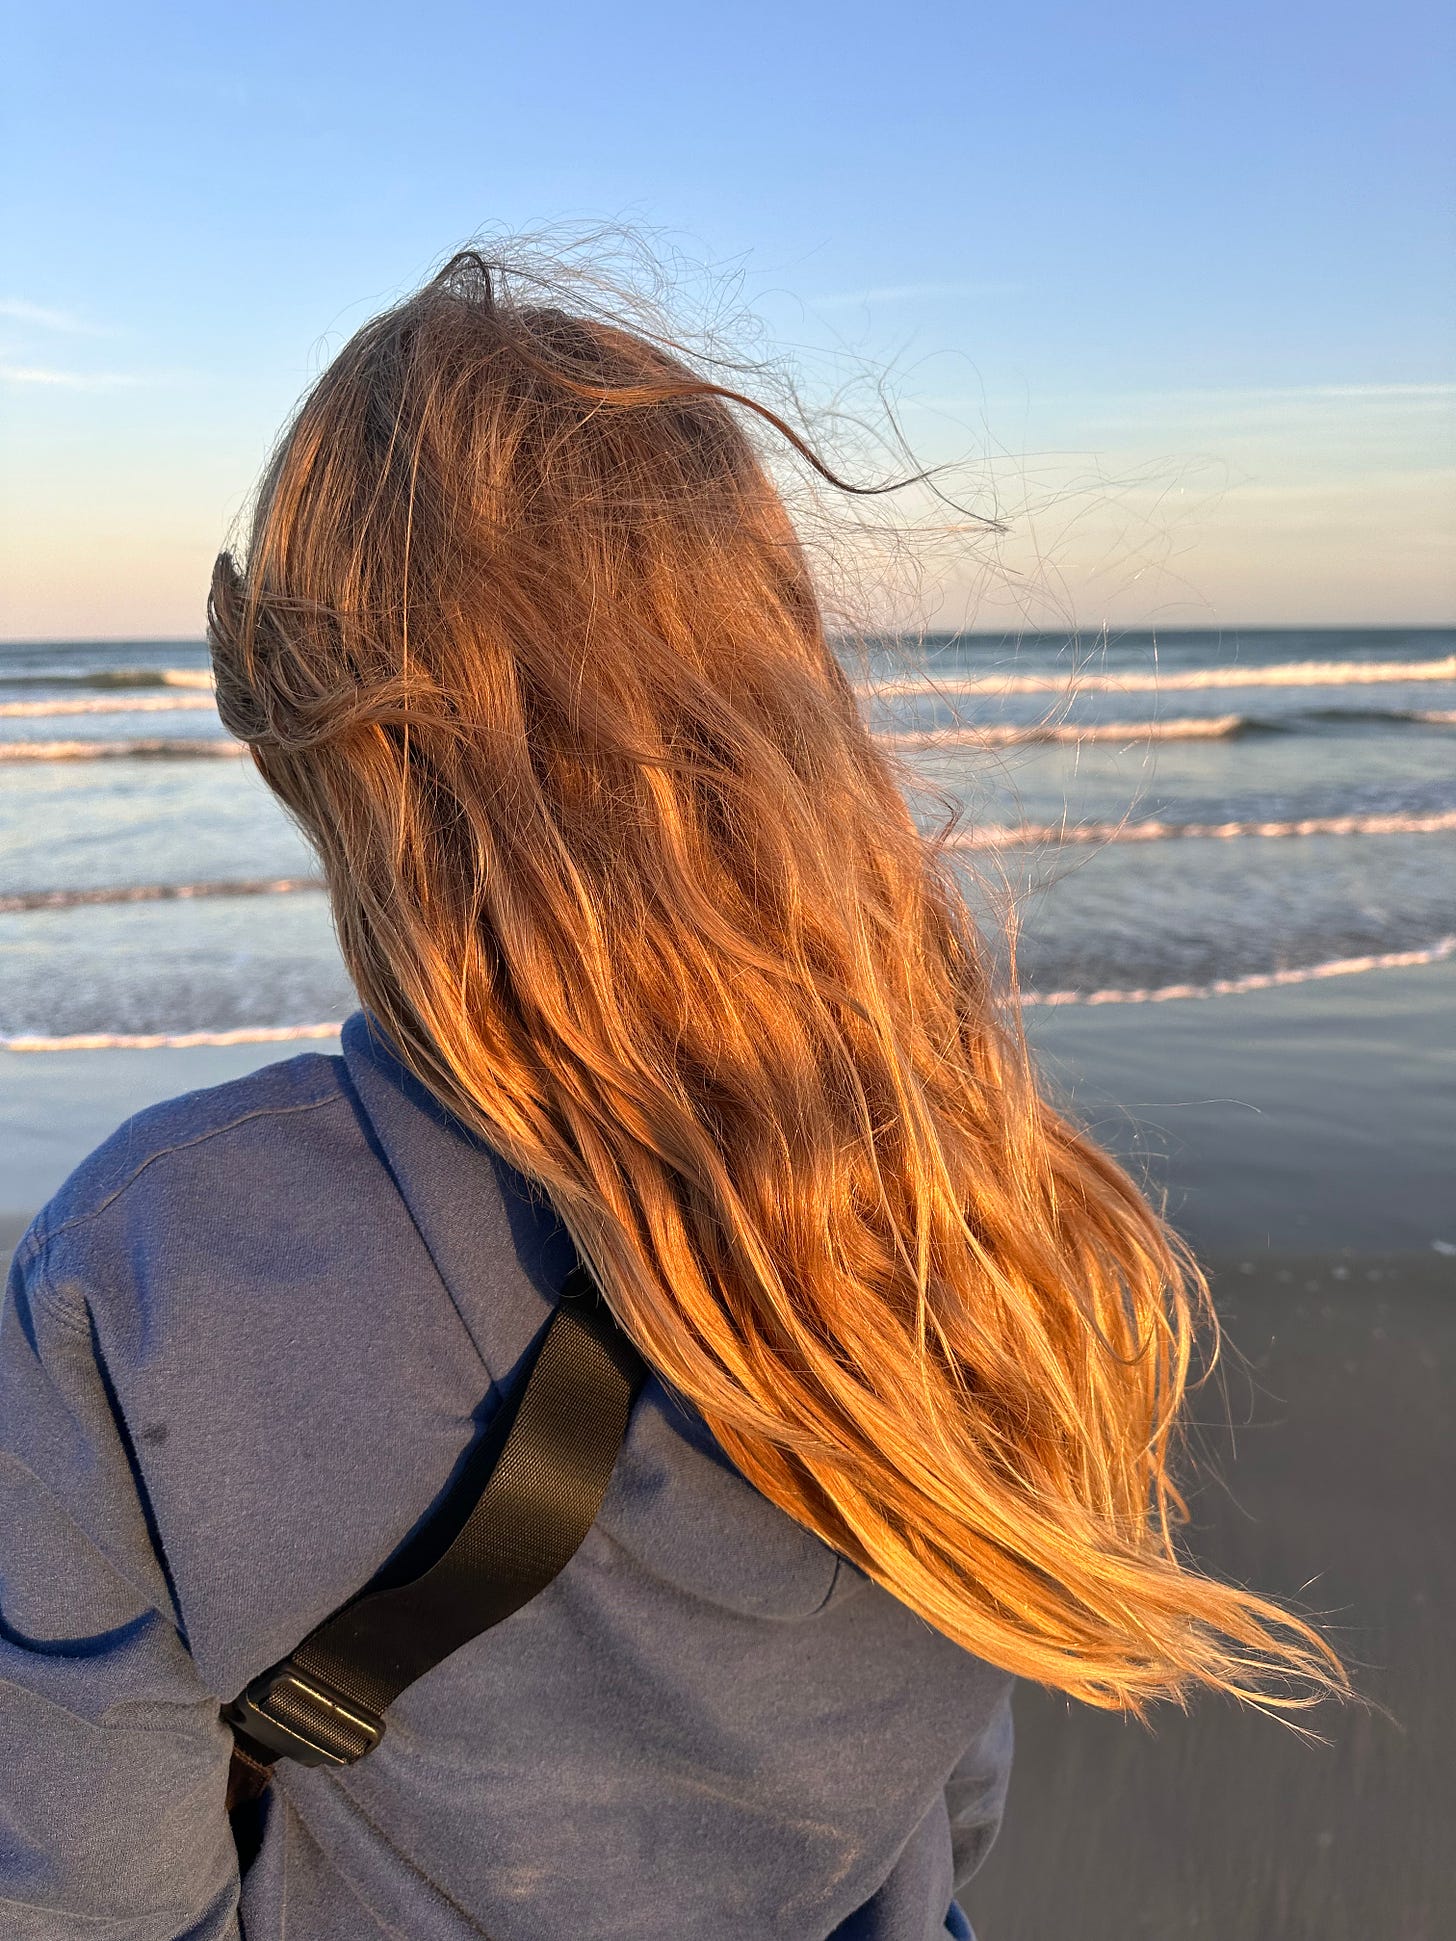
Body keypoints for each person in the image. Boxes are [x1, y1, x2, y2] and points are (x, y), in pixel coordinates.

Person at [0, 246, 1347, 1941]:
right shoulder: (969, 1203)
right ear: (769, 673)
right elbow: (961, 1790)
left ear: (325, 740)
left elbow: (92, 1902)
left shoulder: (145, 1270)